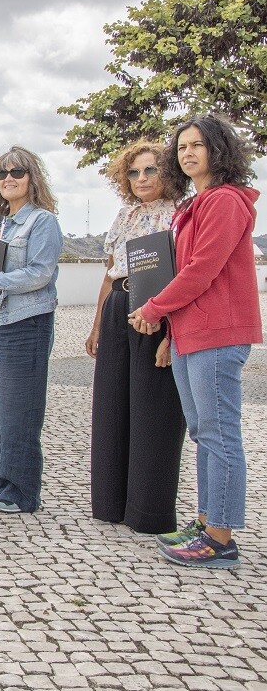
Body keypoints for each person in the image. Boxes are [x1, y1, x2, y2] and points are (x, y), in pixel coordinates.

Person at [130, 114, 261, 569]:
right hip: (192, 333)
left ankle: (221, 538)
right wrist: (172, 332)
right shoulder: (197, 203)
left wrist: (153, 309)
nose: (187, 153)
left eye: (197, 145)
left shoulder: (224, 200)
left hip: (218, 333)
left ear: (218, 150)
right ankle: (206, 522)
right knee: (204, 431)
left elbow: (200, 270)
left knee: (219, 433)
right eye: (182, 146)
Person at [86, 141, 186, 534]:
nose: (141, 178)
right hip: (118, 306)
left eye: (150, 170)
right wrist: (97, 325)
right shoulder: (125, 215)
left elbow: (186, 279)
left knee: (154, 412)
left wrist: (172, 334)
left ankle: (149, 513)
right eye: (133, 172)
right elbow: (110, 273)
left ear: (168, 172)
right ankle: (111, 503)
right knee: (111, 408)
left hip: (158, 313)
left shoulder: (181, 214)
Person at [0, 147, 61, 514]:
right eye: (2, 173)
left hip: (26, 324)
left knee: (19, 410)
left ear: (31, 177)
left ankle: (22, 492)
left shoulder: (42, 222)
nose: (9, 178)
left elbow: (40, 272)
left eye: (17, 172)